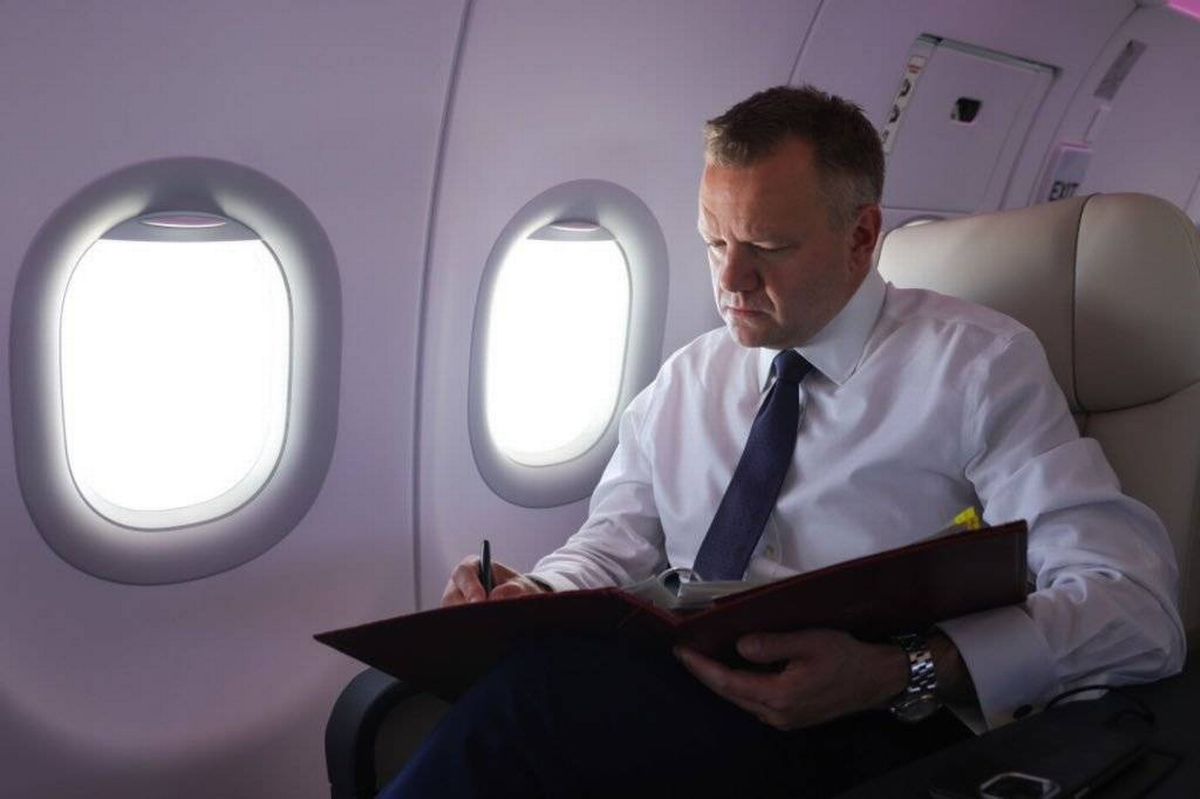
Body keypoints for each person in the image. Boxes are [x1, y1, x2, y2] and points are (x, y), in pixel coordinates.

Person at [381, 85, 1185, 798]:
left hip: (879, 726)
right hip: (699, 697)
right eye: (712, 241)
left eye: (766, 247)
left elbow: (1134, 608)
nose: (729, 279)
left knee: (537, 700)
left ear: (862, 235)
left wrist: (897, 670)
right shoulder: (688, 379)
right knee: (526, 680)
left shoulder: (976, 366)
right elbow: (612, 543)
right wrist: (539, 594)